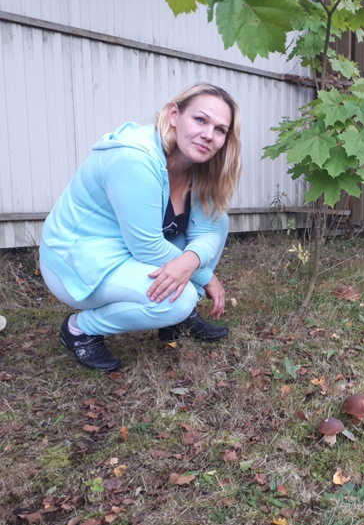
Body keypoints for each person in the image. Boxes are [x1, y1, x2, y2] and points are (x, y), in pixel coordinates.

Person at [39, 83, 242, 371]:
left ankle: (175, 320)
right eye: (200, 120)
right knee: (179, 298)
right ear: (174, 115)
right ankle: (80, 329)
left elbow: (209, 230)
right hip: (75, 260)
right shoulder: (134, 158)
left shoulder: (197, 166)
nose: (208, 135)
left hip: (126, 252)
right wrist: (205, 276)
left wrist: (193, 260)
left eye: (220, 129)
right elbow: (146, 247)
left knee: (217, 218)